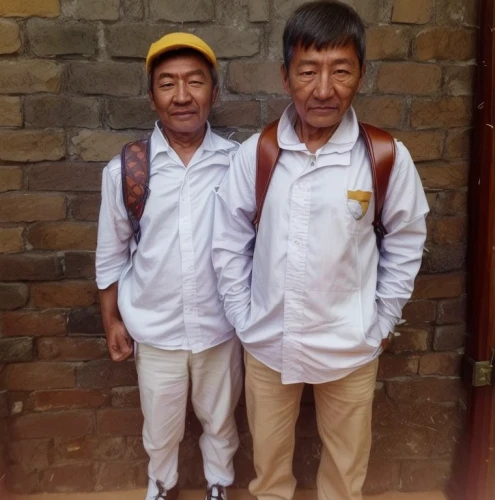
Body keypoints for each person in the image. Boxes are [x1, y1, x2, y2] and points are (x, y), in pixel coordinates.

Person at [212, 1, 429, 499]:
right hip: (267, 342)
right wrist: (245, 318)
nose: (324, 89)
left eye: (341, 71)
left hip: (350, 346)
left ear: (362, 75)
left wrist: (380, 322)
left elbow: (406, 240)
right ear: (285, 76)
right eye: (308, 71)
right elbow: (228, 243)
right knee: (268, 472)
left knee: (345, 475)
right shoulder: (257, 154)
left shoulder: (384, 156)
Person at [96, 33, 242, 500]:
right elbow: (111, 252)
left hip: (222, 328)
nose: (182, 96)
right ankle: (162, 487)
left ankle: (219, 485)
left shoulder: (237, 163)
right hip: (155, 330)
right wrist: (111, 319)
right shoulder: (126, 171)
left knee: (221, 419)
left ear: (213, 93)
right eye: (168, 84)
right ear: (152, 96)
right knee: (160, 426)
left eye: (195, 82)